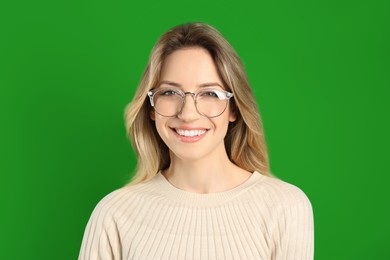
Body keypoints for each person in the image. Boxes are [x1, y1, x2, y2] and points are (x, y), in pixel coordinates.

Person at [79, 22, 314, 260]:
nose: (188, 114)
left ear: (234, 108)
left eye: (210, 93)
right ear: (151, 107)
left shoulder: (285, 207)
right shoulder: (114, 214)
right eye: (169, 93)